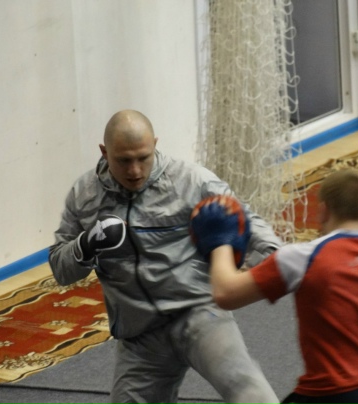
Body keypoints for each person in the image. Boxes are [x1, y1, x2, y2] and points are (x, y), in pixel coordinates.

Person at [49, 109, 282, 404]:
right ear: (104, 152)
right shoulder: (84, 195)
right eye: (124, 160)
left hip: (200, 315)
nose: (135, 170)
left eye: (143, 157)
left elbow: (250, 226)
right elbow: (61, 269)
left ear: (155, 145)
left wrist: (279, 266)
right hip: (140, 336)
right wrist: (85, 245)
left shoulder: (192, 181)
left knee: (246, 387)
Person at [190, 169, 358, 404]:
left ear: (323, 211)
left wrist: (220, 241)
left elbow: (226, 294)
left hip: (330, 394)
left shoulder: (300, 258)